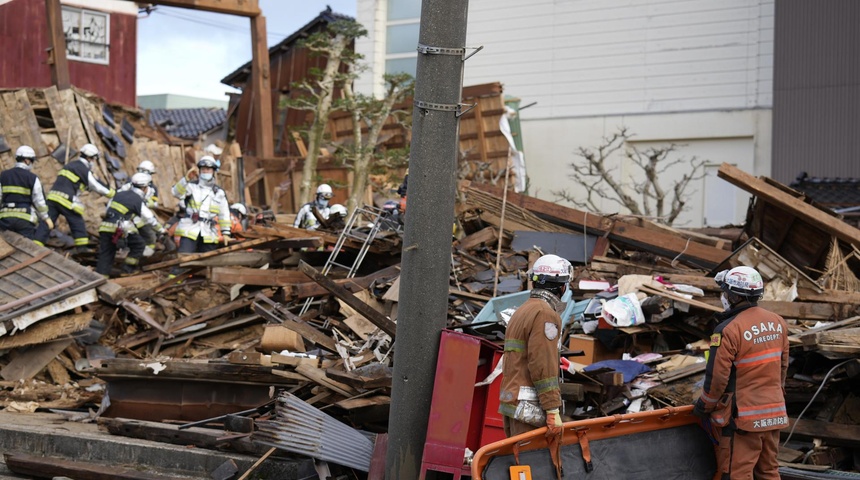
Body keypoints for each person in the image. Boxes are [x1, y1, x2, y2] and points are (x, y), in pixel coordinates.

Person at [693, 266, 789, 480]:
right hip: (774, 414)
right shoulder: (778, 322)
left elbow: (717, 378)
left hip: (743, 419)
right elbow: (782, 369)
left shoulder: (728, 329)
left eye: (725, 291)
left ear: (733, 295)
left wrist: (704, 405)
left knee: (737, 474)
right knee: (768, 472)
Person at [498, 254, 571, 439]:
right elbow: (542, 364)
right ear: (561, 287)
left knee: (519, 465)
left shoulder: (522, 311)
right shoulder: (545, 314)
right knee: (534, 465)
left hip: (513, 401)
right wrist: (552, 409)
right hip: (529, 407)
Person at [34, 143, 115, 249]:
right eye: (94, 159)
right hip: (65, 199)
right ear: (90, 158)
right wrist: (114, 194)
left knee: (46, 223)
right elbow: (96, 185)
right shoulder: (82, 169)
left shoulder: (71, 165)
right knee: (77, 222)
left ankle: (35, 246)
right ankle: (82, 250)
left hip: (52, 198)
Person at [96, 173, 164, 277]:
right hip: (119, 229)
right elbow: (149, 218)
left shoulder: (120, 194)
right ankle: (127, 270)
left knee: (106, 253)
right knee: (139, 245)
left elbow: (109, 209)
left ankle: (100, 278)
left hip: (105, 227)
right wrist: (162, 230)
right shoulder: (136, 199)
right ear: (144, 188)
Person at [171, 156, 231, 256]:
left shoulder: (219, 192)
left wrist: (226, 233)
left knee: (208, 262)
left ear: (213, 171)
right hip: (189, 229)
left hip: (209, 232)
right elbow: (176, 193)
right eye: (203, 169)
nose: (205, 172)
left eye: (208, 169)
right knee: (183, 259)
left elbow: (224, 214)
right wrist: (186, 179)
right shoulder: (191, 186)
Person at [0, 146, 53, 239]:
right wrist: (46, 217)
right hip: (24, 220)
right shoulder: (32, 178)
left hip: (5, 219)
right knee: (28, 248)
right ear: (27, 161)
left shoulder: (3, 175)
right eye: (32, 161)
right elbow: (39, 201)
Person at [111, 160, 160, 256]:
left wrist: (148, 203)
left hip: (142, 216)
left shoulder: (153, 187)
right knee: (124, 234)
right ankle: (122, 251)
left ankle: (144, 256)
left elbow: (155, 203)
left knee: (149, 236)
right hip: (128, 215)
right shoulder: (131, 183)